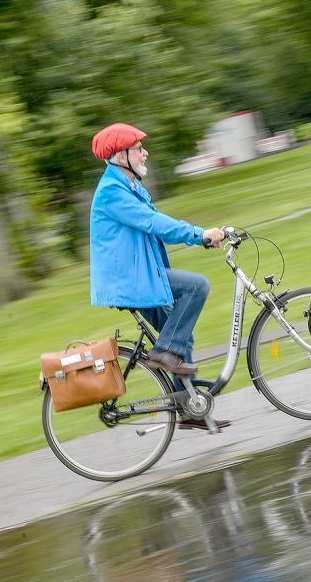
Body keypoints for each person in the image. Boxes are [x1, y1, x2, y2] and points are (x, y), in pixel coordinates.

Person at [89, 122, 230, 430]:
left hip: (141, 275)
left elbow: (154, 227)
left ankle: (189, 409)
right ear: (120, 155)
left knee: (180, 335)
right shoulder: (113, 192)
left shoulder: (129, 186)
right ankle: (164, 353)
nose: (145, 152)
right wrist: (199, 234)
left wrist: (201, 238)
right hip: (131, 280)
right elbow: (153, 223)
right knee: (196, 287)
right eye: (139, 149)